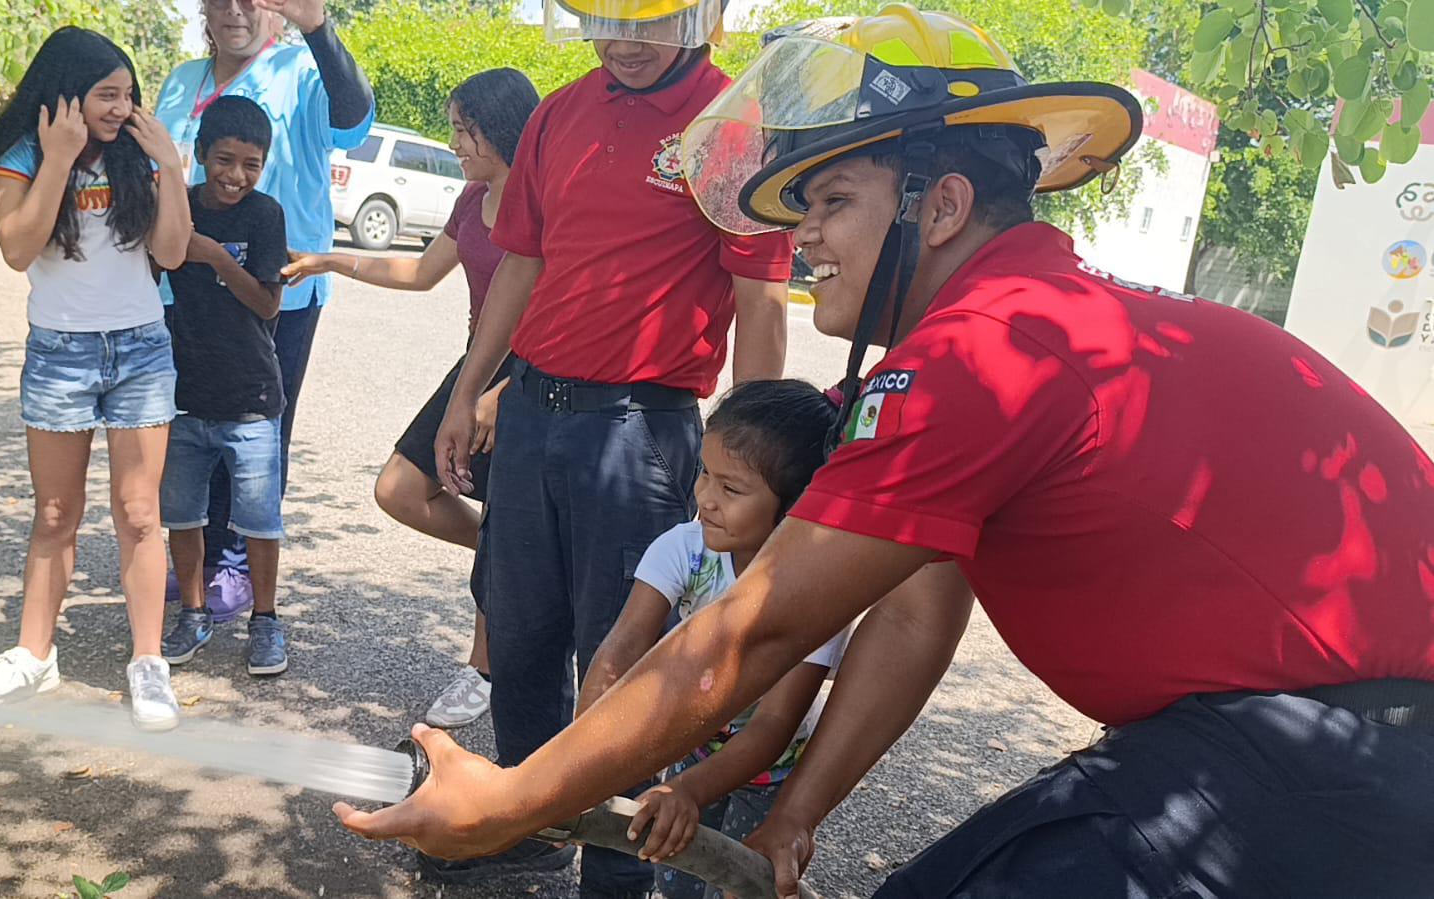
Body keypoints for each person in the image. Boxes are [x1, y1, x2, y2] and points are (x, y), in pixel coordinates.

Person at [335, 7, 1434, 899]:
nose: (803, 235)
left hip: (1315, 760)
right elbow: (915, 609)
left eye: (834, 200)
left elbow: (747, 636)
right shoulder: (1042, 325)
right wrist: (790, 818)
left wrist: (514, 799)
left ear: (942, 204)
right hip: (1343, 756)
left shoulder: (986, 351)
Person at [424, 0, 793, 893]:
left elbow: (761, 303)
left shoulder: (732, 125)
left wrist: (749, 460)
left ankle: (614, 873)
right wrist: (469, 388)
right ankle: (531, 821)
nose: (622, 40)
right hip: (535, 411)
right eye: (603, 18)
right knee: (516, 630)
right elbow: (524, 259)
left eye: (647, 20)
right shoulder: (561, 110)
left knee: (619, 658)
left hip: (640, 427)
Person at [283, 67, 540, 727]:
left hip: (535, 372)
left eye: (463, 129)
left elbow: (564, 309)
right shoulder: (470, 198)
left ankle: (482, 667)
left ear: (500, 128)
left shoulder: (544, 200)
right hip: (474, 365)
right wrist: (331, 258)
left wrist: (504, 391)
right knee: (400, 488)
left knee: (503, 515)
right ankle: (519, 551)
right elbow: (422, 272)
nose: (453, 141)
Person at [0, 27, 192, 733]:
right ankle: (35, 653)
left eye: (128, 96)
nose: (121, 108)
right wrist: (58, 158)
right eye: (106, 95)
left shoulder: (138, 158)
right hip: (60, 351)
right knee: (56, 514)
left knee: (139, 513)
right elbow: (17, 248)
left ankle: (149, 662)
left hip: (141, 349)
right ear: (66, 94)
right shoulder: (22, 154)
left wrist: (171, 168)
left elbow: (173, 254)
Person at [575, 379, 848, 899]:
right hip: (695, 744)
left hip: (775, 772)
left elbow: (772, 727)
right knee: (675, 878)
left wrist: (686, 791)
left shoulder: (817, 592)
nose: (705, 499)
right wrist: (582, 755)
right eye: (705, 473)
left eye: (731, 489)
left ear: (792, 508)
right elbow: (622, 648)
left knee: (747, 883)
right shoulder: (685, 548)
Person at [154, 0, 374, 620]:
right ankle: (193, 556)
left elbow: (352, 120)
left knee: (254, 429)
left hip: (275, 295)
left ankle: (236, 561)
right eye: (220, 1)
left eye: (250, 2)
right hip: (184, 292)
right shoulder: (181, 81)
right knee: (192, 424)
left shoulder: (303, 72)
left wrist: (317, 27)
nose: (234, 12)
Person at [156, 96, 291, 677]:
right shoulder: (177, 207)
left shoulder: (265, 216)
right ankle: (192, 612)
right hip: (182, 394)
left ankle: (266, 620)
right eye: (225, 160)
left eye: (251, 164)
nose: (237, 175)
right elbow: (149, 272)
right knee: (182, 515)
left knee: (259, 521)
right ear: (201, 154)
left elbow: (267, 303)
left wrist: (212, 256)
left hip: (251, 400)